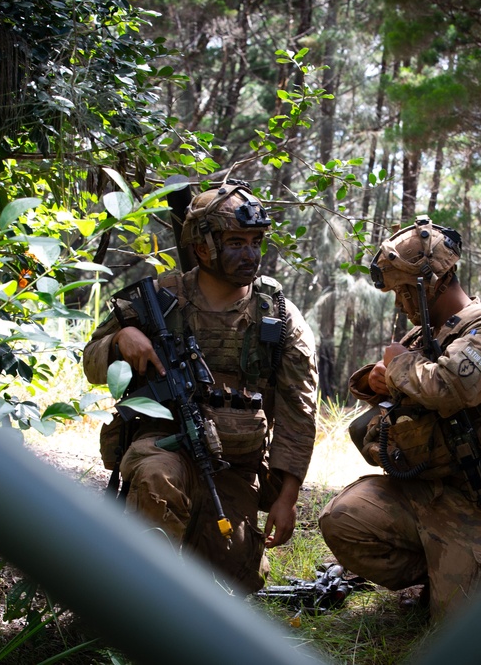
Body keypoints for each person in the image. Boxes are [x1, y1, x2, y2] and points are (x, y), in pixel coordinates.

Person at [82, 180, 318, 594]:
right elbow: (91, 363)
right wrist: (119, 341)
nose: (249, 254)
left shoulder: (278, 316)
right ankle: (134, 596)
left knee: (233, 582)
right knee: (156, 477)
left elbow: (300, 411)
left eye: (255, 241)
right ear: (204, 246)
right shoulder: (159, 299)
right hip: (163, 445)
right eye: (236, 242)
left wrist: (287, 496)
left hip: (235, 465)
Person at [318, 215, 481, 619]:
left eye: (404, 291)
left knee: (465, 631)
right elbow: (400, 397)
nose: (401, 305)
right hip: (426, 492)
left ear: (434, 281)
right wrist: (377, 380)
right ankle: (436, 574)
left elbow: (451, 386)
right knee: (341, 519)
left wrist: (399, 369)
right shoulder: (425, 335)